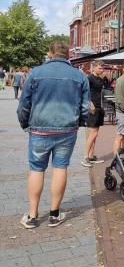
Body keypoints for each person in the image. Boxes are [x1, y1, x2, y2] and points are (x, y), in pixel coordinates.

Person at [17, 42, 89, 229]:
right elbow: (85, 108)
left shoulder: (35, 73)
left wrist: (26, 124)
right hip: (67, 129)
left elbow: (24, 104)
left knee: (36, 169)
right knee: (60, 167)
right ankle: (54, 214)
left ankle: (32, 216)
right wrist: (78, 123)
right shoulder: (79, 76)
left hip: (40, 128)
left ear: (50, 53)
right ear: (68, 56)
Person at [82, 61, 106, 167]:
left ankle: (91, 156)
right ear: (94, 68)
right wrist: (90, 103)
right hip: (92, 108)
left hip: (99, 108)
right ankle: (85, 157)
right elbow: (84, 92)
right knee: (93, 134)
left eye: (102, 68)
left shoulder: (100, 79)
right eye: (100, 68)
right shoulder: (89, 78)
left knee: (96, 134)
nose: (102, 70)